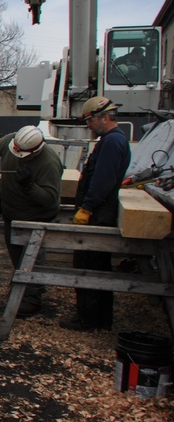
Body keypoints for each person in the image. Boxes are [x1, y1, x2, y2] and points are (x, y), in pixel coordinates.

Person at [0, 125, 63, 317]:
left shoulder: (48, 163)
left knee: (32, 255)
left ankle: (32, 297)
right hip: (11, 212)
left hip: (35, 216)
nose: (16, 154)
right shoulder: (12, 141)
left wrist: (30, 185)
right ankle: (23, 286)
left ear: (36, 150)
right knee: (16, 253)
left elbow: (49, 198)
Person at [60, 96, 131, 331]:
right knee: (99, 266)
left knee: (88, 265)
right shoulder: (114, 140)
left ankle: (88, 319)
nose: (88, 125)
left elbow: (102, 180)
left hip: (98, 214)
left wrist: (87, 207)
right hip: (99, 212)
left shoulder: (111, 142)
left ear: (105, 118)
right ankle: (100, 318)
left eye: (90, 121)